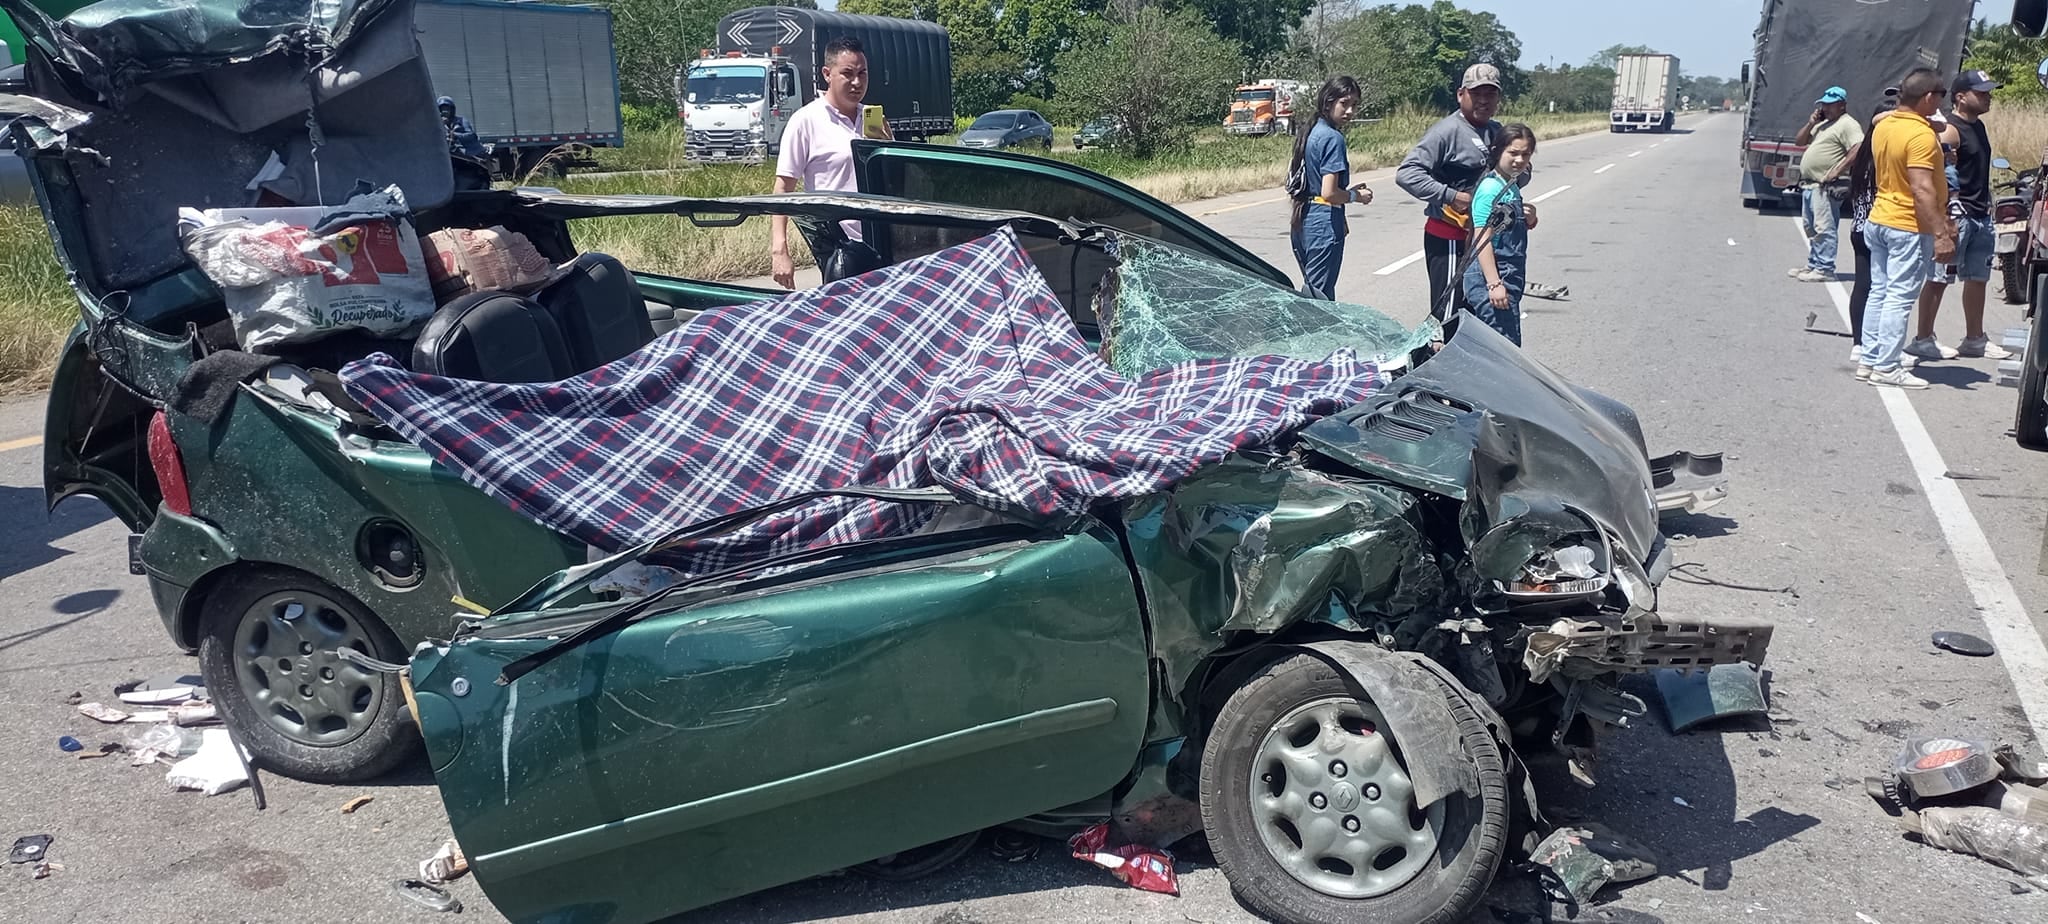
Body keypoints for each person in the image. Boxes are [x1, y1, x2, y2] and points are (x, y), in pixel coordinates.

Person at [1398, 63, 1533, 320]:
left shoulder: (1497, 131)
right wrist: (1451, 196)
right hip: (1450, 237)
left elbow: (1520, 174)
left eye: (1490, 94)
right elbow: (1407, 174)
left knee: (1478, 313)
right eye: (1476, 93)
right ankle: (1433, 357)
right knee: (1448, 316)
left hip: (1485, 242)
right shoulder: (1446, 132)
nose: (1483, 100)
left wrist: (1516, 206)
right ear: (1461, 94)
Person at [1906, 70, 2015, 363]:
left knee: (1978, 277)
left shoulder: (1977, 126)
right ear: (1960, 97)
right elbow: (1933, 166)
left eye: (1988, 92)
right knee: (1939, 277)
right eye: (1980, 93)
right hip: (1959, 214)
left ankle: (1975, 338)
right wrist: (1946, 217)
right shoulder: (1949, 129)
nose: (1987, 97)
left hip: (1980, 214)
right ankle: (1923, 338)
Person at [769, 36, 892, 289]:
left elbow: (895, 181)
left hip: (883, 239)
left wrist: (889, 147)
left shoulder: (874, 119)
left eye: (862, 73)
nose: (857, 82)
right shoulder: (806, 121)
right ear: (827, 74)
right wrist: (779, 250)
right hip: (838, 244)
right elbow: (783, 189)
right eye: (847, 73)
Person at [1859, 68, 1955, 389]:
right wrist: (1941, 232)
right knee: (1899, 297)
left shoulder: (1886, 125)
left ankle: (1870, 359)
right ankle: (1887, 367)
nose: (1943, 100)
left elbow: (1878, 122)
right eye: (1941, 94)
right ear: (1929, 97)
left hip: (1880, 217)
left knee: (1880, 292)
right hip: (1908, 225)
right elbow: (1922, 188)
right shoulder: (1921, 136)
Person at [1287, 76, 1372, 300]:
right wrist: (1356, 195)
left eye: (1354, 105)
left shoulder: (1311, 131)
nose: (1350, 111)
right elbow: (1329, 193)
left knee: (1312, 289)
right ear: (1328, 101)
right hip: (1323, 223)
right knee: (1320, 297)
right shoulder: (1333, 138)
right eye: (1344, 103)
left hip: (1303, 218)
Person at [1462, 124, 1537, 345]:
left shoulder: (1510, 185)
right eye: (1513, 153)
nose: (1519, 160)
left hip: (1508, 274)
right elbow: (1482, 238)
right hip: (1492, 276)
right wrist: (1494, 284)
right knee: (1504, 349)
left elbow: (1506, 226)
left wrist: (1530, 217)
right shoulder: (1490, 189)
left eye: (1525, 154)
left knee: (1497, 348)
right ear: (1498, 151)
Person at [1843, 95, 1901, 367]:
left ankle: (1859, 343)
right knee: (1885, 291)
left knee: (1864, 287)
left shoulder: (1863, 153)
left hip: (1859, 226)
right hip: (1882, 227)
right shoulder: (1885, 154)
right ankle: (1877, 345)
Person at [1786, 86, 1862, 282]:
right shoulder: (1823, 125)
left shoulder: (1847, 124)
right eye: (1824, 105)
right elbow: (1799, 141)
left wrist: (1837, 170)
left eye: (1830, 105)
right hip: (1810, 185)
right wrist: (1811, 123)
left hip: (1825, 185)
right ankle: (1813, 264)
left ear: (1842, 105)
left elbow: (1857, 148)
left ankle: (1825, 268)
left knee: (1824, 228)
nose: (1826, 108)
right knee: (1811, 227)